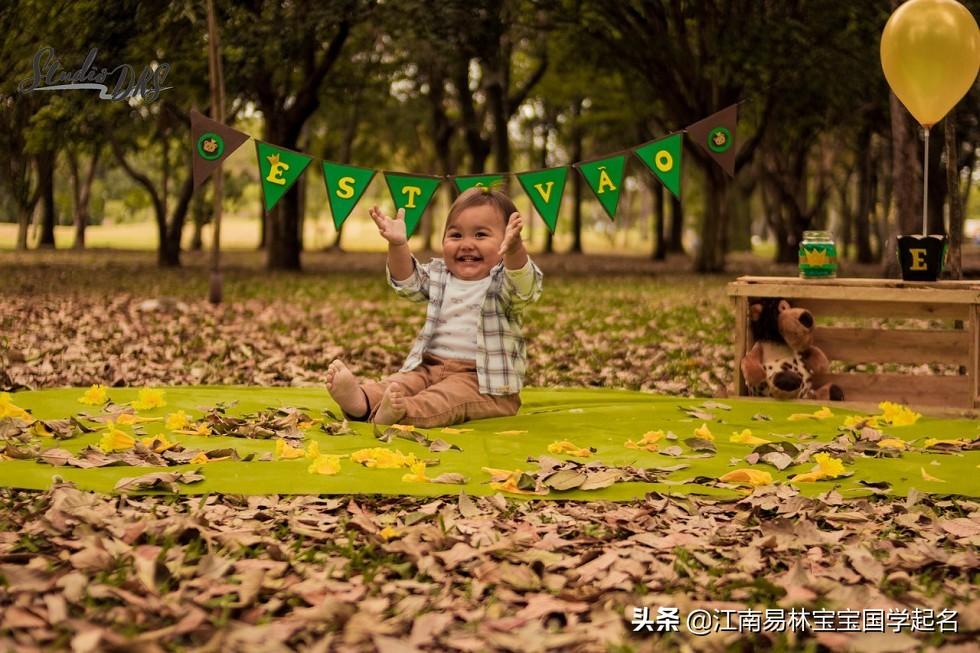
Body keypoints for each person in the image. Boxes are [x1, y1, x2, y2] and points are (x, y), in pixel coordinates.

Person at [325, 187, 543, 427]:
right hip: (430, 366)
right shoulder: (441, 275)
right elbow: (407, 282)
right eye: (456, 235)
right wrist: (398, 244)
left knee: (445, 398)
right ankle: (361, 401)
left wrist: (515, 250)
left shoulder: (505, 282)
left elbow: (526, 284)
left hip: (484, 383)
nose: (467, 244)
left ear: (506, 240)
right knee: (400, 383)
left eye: (480, 235)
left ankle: (401, 412)